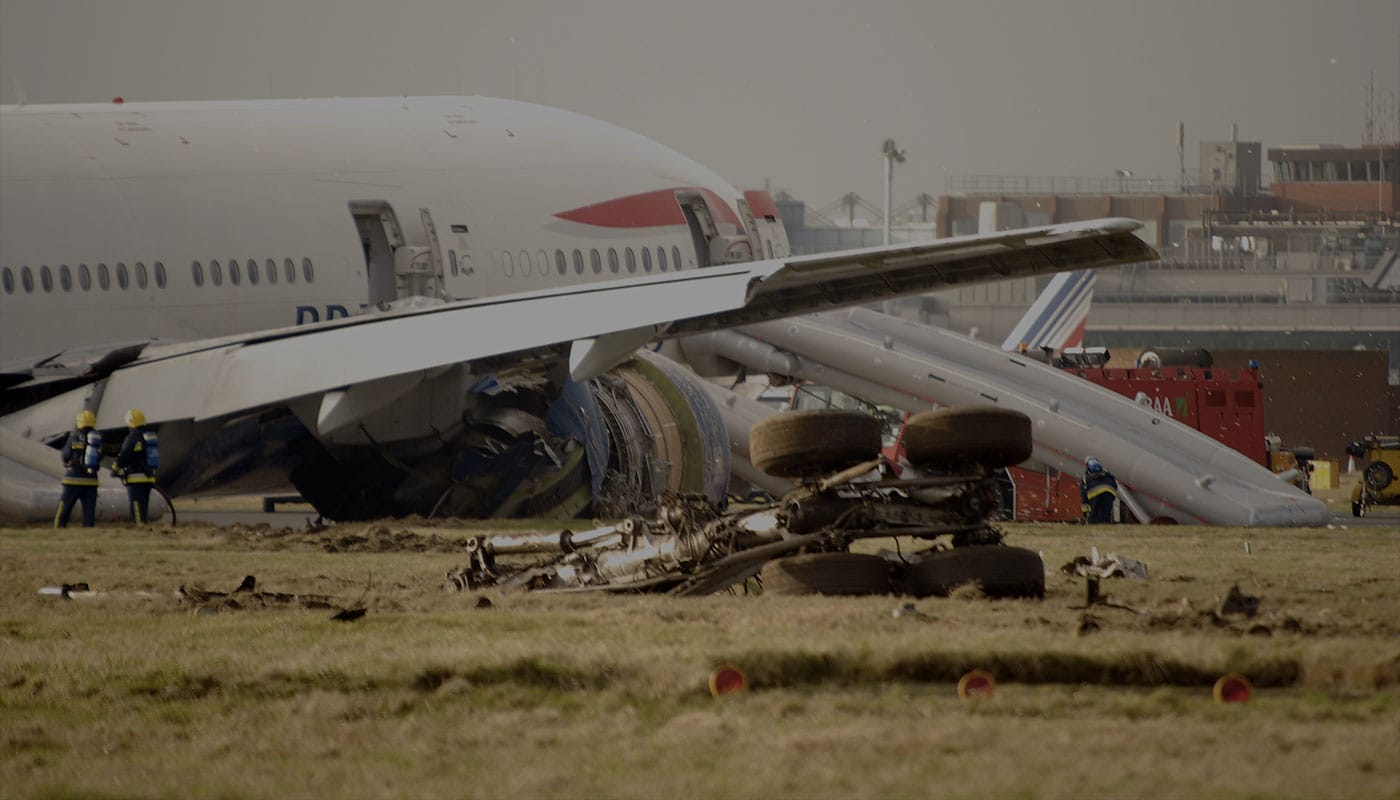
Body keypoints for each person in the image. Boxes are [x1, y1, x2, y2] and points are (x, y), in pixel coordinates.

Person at [56, 409, 103, 528]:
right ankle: (88, 532)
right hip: (91, 480)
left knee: (65, 507)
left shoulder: (74, 437)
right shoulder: (97, 438)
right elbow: (100, 456)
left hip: (73, 479)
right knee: (89, 511)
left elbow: (65, 456)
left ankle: (59, 529)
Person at [113, 408, 159, 524]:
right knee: (144, 505)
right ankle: (143, 524)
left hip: (135, 479)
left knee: (136, 505)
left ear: (130, 422)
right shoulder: (149, 436)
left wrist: (115, 469)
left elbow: (124, 457)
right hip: (148, 477)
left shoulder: (132, 438)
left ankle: (140, 528)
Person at [1080, 456, 1118, 524]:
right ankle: (1106, 526)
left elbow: (1083, 494)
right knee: (1106, 512)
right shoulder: (1107, 473)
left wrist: (1085, 511)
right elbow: (1114, 483)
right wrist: (1113, 495)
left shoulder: (1085, 478)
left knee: (1093, 513)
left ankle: (1092, 526)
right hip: (1109, 491)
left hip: (1094, 493)